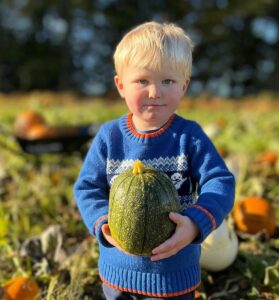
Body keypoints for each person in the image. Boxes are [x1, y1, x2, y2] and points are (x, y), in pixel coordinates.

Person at [74, 21, 235, 300]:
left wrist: (196, 223)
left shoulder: (190, 137)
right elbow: (87, 188)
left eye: (168, 81)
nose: (155, 92)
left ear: (184, 86)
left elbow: (220, 182)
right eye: (142, 81)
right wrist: (102, 223)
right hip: (118, 274)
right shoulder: (109, 137)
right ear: (121, 85)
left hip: (174, 275)